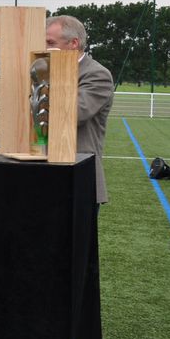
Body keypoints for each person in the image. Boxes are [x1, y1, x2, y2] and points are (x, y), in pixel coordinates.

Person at [45, 15, 114, 206]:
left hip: (79, 179)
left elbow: (74, 114)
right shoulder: (43, 68)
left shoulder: (97, 74)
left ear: (73, 43)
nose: (44, 48)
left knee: (77, 237)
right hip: (43, 175)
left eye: (50, 42)